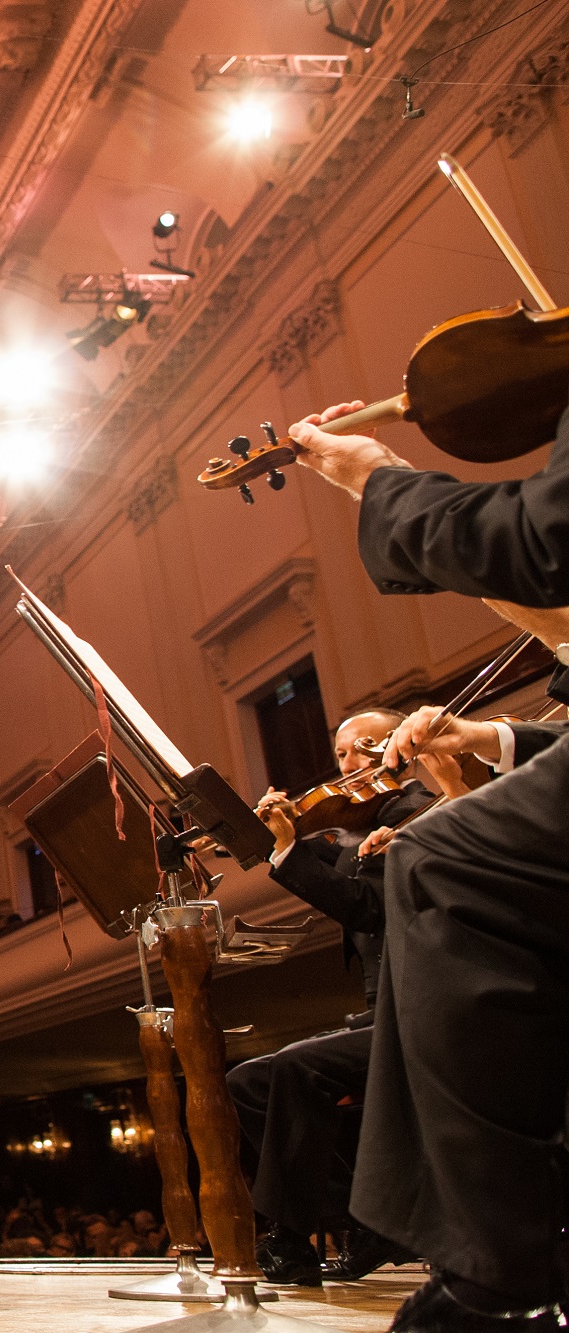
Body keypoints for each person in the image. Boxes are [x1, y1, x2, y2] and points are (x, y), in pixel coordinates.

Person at [288, 395, 569, 1330]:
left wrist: (373, 476)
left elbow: (542, 544)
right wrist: (494, 738)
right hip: (396, 991)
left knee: (442, 861)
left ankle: (502, 1273)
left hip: (415, 987)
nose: (352, 768)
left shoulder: (405, 790)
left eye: (356, 749)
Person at [233, 708, 458, 1285]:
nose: (348, 765)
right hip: (387, 1011)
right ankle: (370, 1215)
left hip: (431, 1012)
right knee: (248, 1082)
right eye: (340, 756)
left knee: (296, 1070)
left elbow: (368, 907)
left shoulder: (415, 812)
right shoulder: (356, 832)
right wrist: (279, 843)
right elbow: (344, 882)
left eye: (364, 748)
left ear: (399, 751)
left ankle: (294, 1235)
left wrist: (289, 850)